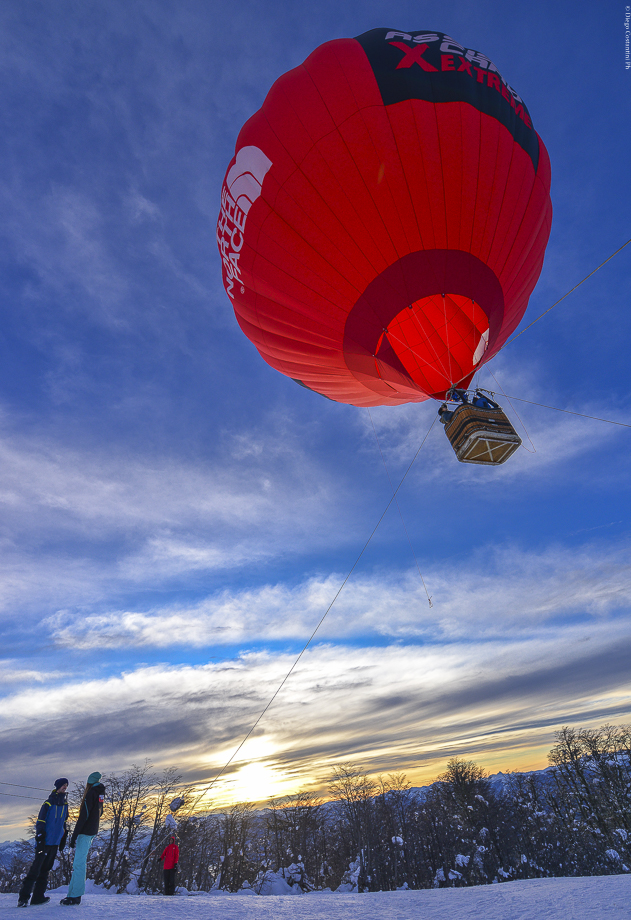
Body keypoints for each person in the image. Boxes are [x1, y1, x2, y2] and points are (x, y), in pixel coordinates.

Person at [18, 778, 69, 907]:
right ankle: (23, 898)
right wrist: (40, 837)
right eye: (63, 785)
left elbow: (64, 822)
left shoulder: (65, 804)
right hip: (44, 842)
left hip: (55, 843)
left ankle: (38, 897)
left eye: (66, 785)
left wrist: (63, 837)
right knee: (35, 870)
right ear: (57, 787)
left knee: (45, 870)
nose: (65, 787)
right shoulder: (48, 803)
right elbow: (40, 821)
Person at [60, 772, 105, 906]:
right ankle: (72, 894)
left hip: (85, 832)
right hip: (92, 831)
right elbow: (100, 812)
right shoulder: (100, 793)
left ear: (89, 782)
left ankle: (75, 896)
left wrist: (74, 836)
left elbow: (83, 816)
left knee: (79, 864)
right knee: (79, 863)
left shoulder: (91, 793)